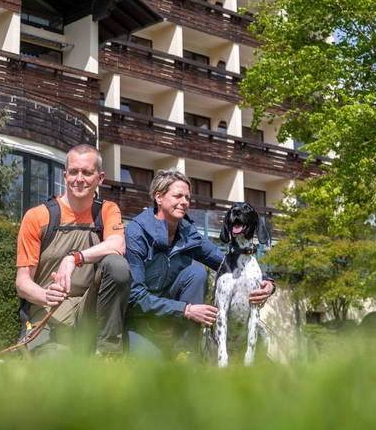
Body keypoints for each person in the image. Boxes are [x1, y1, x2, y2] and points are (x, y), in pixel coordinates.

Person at [125, 169, 274, 358]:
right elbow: (135, 297)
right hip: (139, 317)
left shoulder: (188, 232)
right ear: (158, 197)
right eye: (178, 196)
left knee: (196, 273)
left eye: (187, 197)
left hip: (172, 316)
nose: (184, 202)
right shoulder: (136, 233)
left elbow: (226, 262)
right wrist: (185, 310)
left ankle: (187, 353)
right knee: (153, 365)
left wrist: (268, 283)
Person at [15, 144, 130, 356]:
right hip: (48, 313)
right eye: (74, 172)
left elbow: (118, 245)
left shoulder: (107, 210)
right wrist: (45, 294)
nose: (79, 179)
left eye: (87, 173)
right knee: (57, 377)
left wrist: (74, 258)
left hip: (89, 310)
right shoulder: (38, 217)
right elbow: (22, 283)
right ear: (65, 175)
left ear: (100, 178)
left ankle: (108, 354)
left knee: (117, 265)